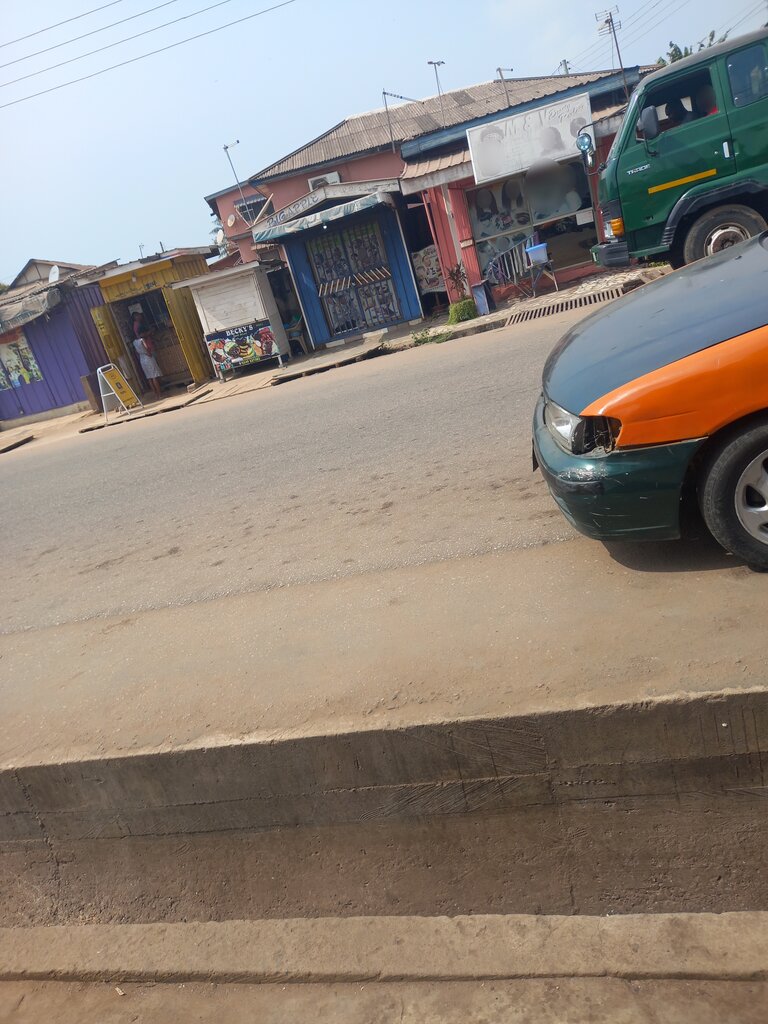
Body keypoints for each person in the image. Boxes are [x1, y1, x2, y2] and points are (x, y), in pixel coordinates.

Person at [133, 330, 162, 398]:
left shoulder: (134, 342)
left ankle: (155, 394)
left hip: (142, 359)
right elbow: (147, 348)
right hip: (148, 358)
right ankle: (159, 394)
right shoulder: (142, 340)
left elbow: (136, 352)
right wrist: (149, 353)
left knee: (149, 377)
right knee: (154, 376)